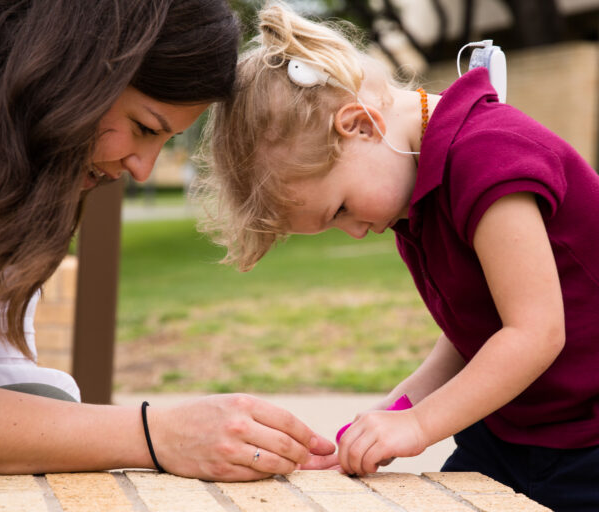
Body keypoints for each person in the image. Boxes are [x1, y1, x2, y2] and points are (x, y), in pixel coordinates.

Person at [0, 0, 338, 480]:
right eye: (143, 128)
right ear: (77, 72)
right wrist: (156, 435)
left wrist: (201, 436)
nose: (143, 168)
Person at [196, 2, 599, 509]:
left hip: (588, 440)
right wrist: (388, 414)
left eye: (339, 208)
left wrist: (419, 425)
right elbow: (472, 334)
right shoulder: (413, 196)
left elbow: (534, 332)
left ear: (361, 126)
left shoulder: (488, 156)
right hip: (514, 433)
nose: (356, 233)